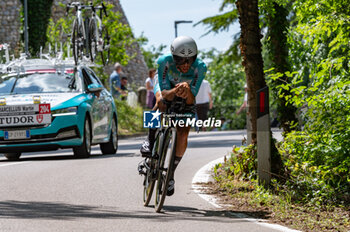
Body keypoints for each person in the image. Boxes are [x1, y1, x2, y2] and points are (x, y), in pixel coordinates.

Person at [140, 36, 207, 196]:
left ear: (195, 58)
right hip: (166, 88)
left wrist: (187, 90)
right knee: (160, 103)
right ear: (173, 57)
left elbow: (192, 100)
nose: (185, 65)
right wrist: (174, 91)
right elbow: (163, 93)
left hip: (186, 92)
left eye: (189, 60)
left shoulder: (200, 67)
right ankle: (149, 140)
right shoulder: (164, 61)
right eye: (181, 60)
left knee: (183, 132)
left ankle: (170, 174)